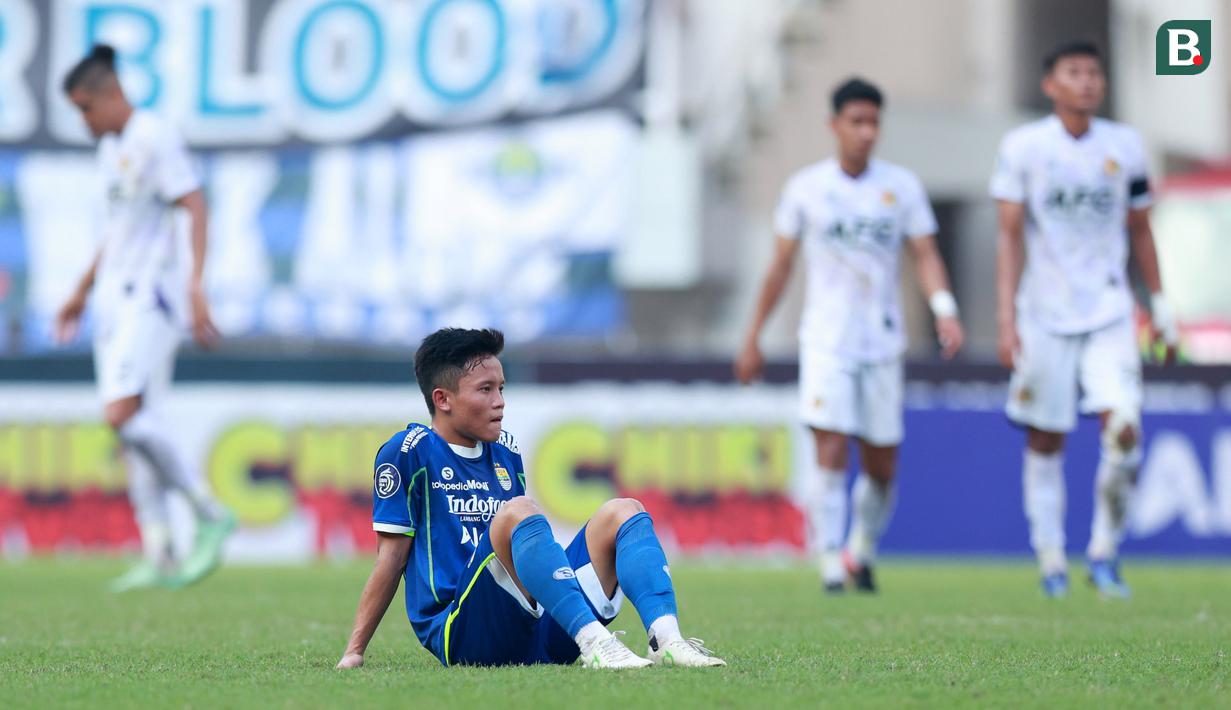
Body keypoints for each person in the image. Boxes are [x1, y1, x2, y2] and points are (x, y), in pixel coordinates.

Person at [337, 327, 725, 669]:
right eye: (485, 390)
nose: (500, 401)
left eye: (502, 388)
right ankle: (596, 643)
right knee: (518, 512)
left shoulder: (505, 451)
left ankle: (668, 641)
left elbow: (524, 556)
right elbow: (391, 558)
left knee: (624, 511)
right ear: (443, 399)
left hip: (534, 628)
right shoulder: (409, 452)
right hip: (463, 632)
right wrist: (355, 649)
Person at [734, 78, 964, 594]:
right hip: (826, 338)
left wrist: (943, 309)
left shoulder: (900, 187)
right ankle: (829, 563)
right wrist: (753, 336)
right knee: (831, 447)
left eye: (873, 122)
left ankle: (860, 548)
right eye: (855, 121)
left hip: (882, 340)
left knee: (882, 463)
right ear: (834, 125)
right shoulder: (806, 188)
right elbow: (780, 267)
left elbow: (924, 254)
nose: (865, 132)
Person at [991, 40, 1178, 599]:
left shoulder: (1125, 145)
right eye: (1075, 72)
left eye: (1095, 72)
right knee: (1045, 440)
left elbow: (1141, 230)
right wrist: (1006, 319)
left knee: (1125, 434)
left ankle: (1103, 552)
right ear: (1051, 84)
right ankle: (1051, 557)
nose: (1088, 82)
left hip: (1110, 311)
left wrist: (1162, 309)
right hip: (1044, 314)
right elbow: (1007, 238)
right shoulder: (1024, 147)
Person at [55, 44, 234, 591]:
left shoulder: (154, 136)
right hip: (113, 298)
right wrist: (82, 290)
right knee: (135, 427)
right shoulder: (110, 149)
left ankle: (209, 511)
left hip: (150, 298)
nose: (83, 121)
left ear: (112, 94)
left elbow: (195, 204)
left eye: (86, 108)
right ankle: (159, 553)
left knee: (120, 412)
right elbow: (116, 230)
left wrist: (195, 285)